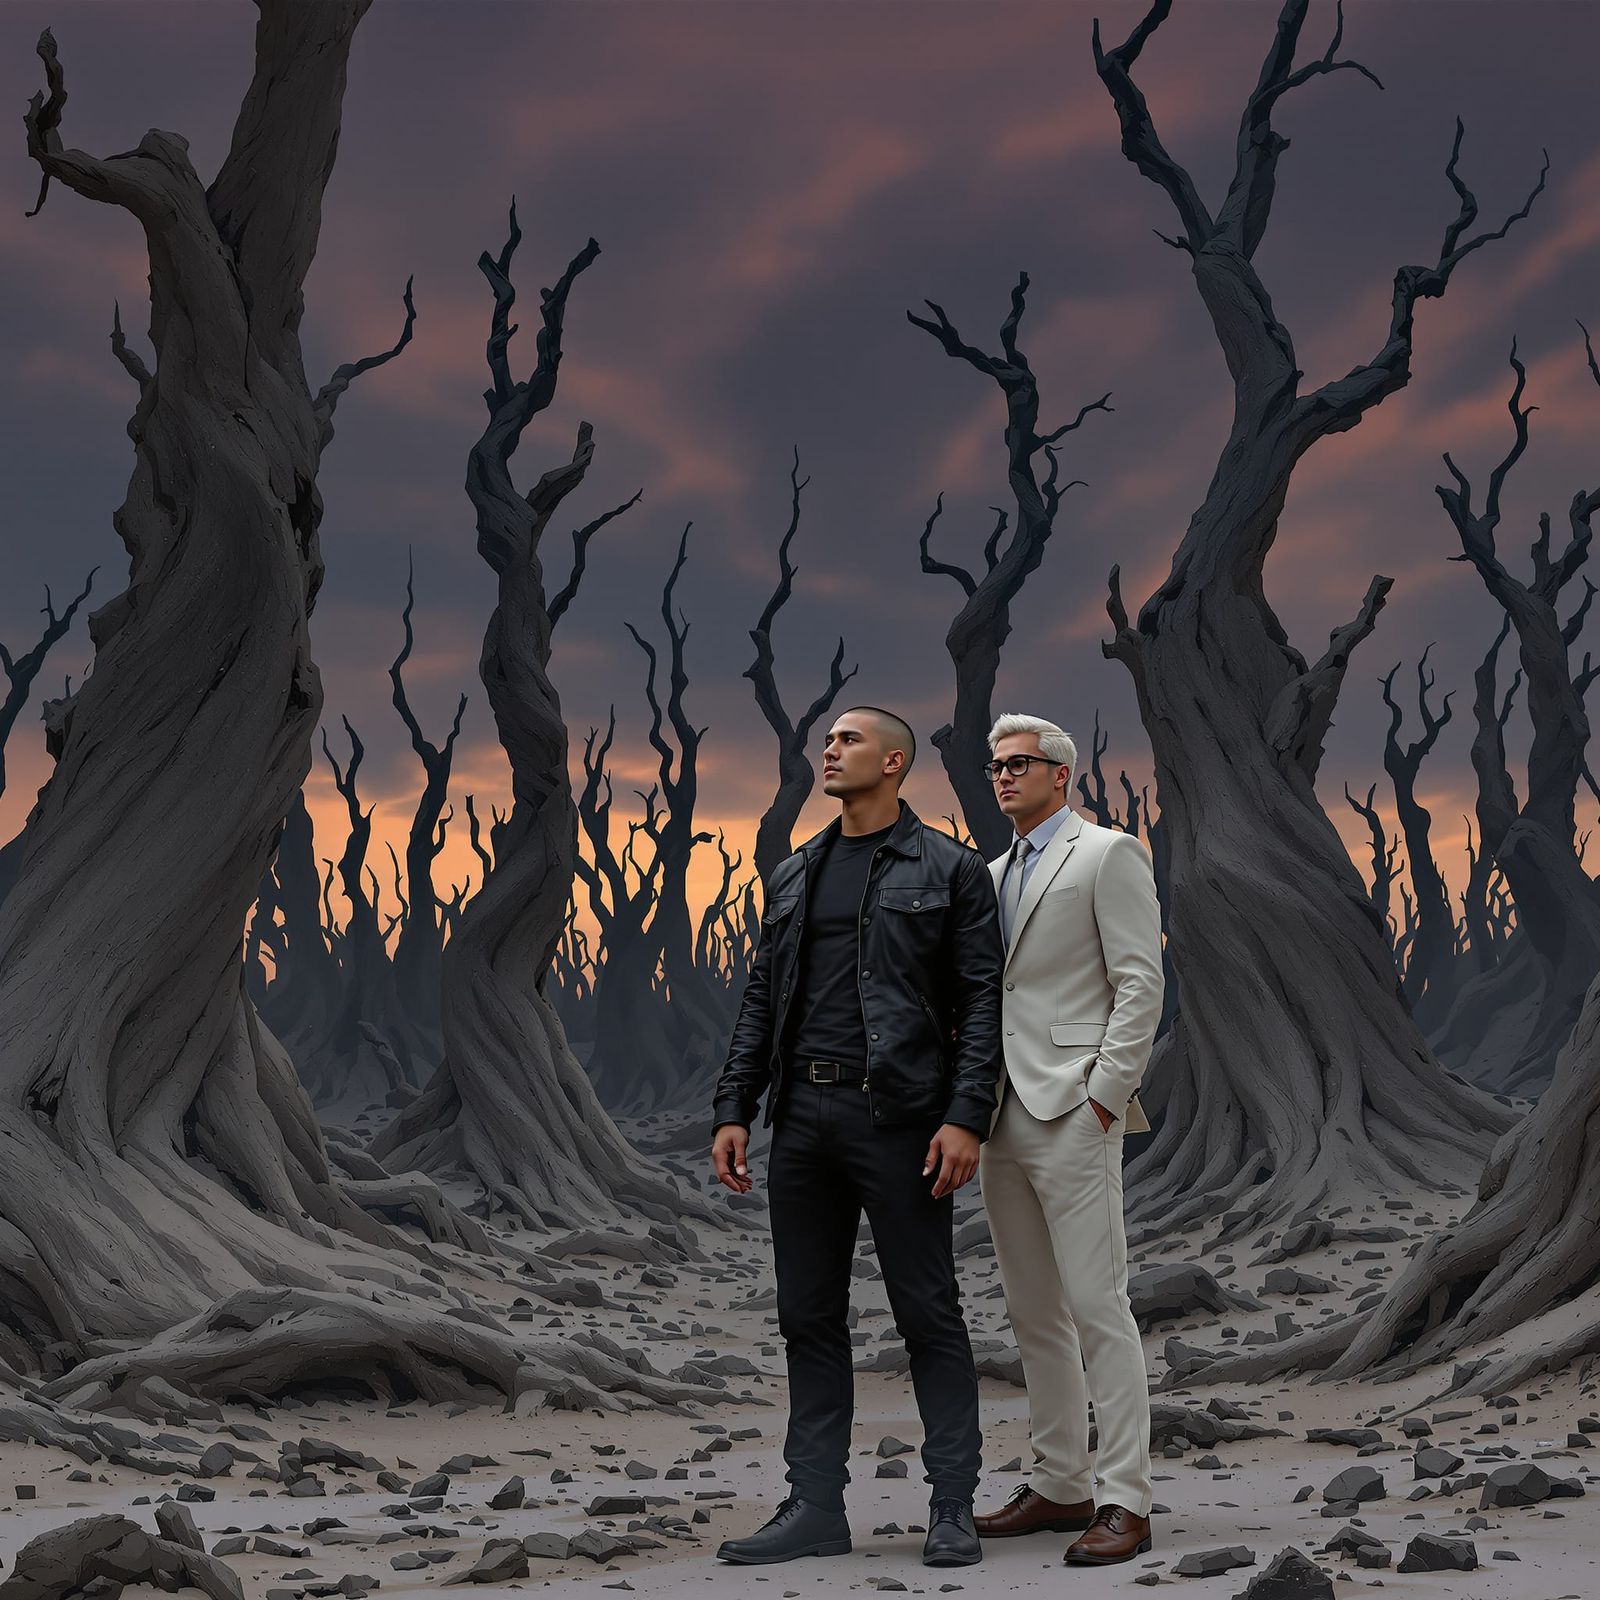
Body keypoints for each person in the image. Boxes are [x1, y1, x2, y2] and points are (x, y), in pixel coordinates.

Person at [710, 706, 1003, 1569]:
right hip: (801, 1120)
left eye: (846, 741)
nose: (828, 751)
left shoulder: (951, 869)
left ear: (896, 760)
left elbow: (982, 998)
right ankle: (814, 1508)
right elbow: (762, 997)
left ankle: (952, 1507)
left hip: (903, 1120)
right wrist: (735, 1107)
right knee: (808, 1317)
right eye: (826, 741)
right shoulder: (795, 873)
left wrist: (966, 1115)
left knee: (928, 1314)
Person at [972, 712, 1163, 1566]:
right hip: (999, 1118)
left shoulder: (1108, 854)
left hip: (1074, 1112)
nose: (1004, 775)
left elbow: (1140, 982)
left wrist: (1103, 1097)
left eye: (1020, 764)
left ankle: (1126, 1499)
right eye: (996, 765)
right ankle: (1060, 1483)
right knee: (1033, 1314)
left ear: (1062, 775)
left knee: (1099, 1308)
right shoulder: (990, 873)